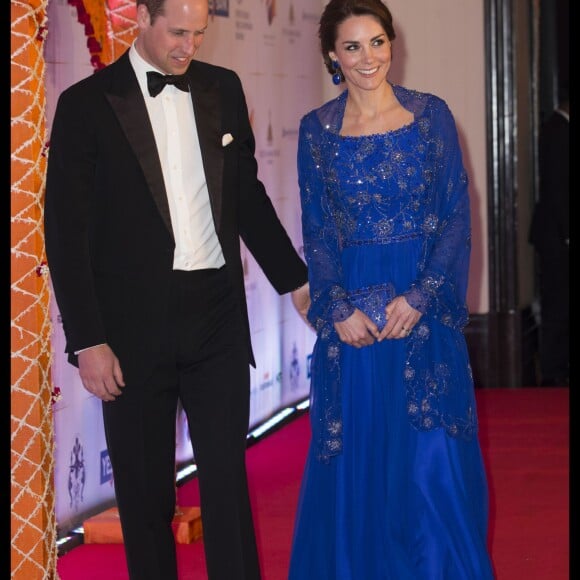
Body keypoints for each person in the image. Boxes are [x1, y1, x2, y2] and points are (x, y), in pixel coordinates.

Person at [44, 0, 310, 578]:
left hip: (215, 316)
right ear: (141, 16)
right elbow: (65, 235)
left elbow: (248, 198)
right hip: (131, 331)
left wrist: (295, 280)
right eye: (178, 32)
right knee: (144, 501)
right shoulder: (86, 105)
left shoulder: (223, 88)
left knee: (226, 484)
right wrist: (88, 339)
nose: (189, 46)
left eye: (199, 33)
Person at [288, 1, 495, 578]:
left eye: (377, 42)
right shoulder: (316, 132)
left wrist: (424, 295)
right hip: (354, 316)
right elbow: (319, 230)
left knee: (431, 461)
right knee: (360, 457)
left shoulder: (431, 117)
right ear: (332, 54)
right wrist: (335, 307)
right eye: (352, 47)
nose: (368, 57)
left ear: (391, 43)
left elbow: (457, 213)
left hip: (421, 308)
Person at [529, 90, 569, 386]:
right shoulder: (557, 129)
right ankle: (553, 371)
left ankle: (558, 366)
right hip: (556, 235)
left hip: (557, 233)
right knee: (557, 301)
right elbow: (557, 188)